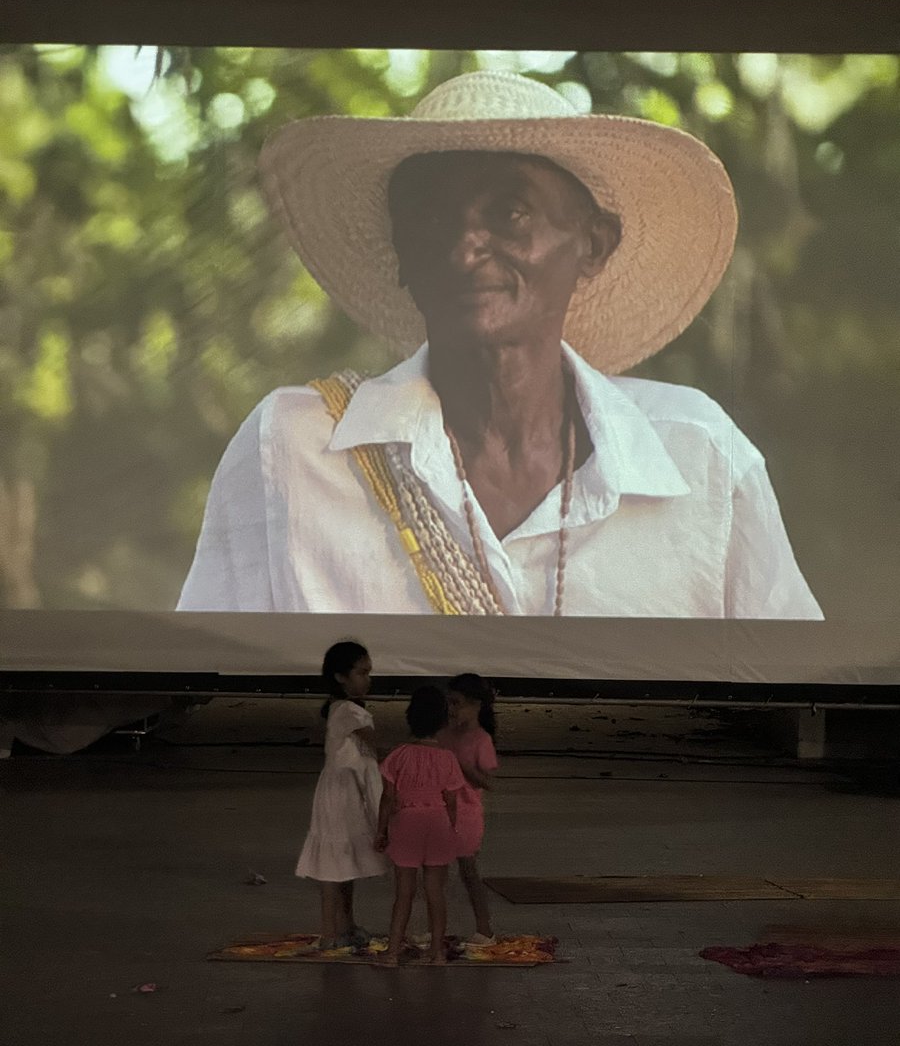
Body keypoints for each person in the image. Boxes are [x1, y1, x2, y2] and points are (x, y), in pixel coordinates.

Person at [177, 70, 822, 619]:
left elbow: (798, 695)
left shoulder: (699, 456)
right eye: (432, 216)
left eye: (510, 213)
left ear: (593, 245)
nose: (463, 250)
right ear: (402, 252)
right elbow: (203, 680)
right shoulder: (294, 449)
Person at [295, 640, 386, 950]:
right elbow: (378, 747)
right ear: (340, 677)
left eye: (368, 673)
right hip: (341, 792)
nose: (367, 680)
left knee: (346, 862)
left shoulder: (348, 709)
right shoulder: (348, 711)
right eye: (361, 673)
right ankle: (330, 933)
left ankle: (346, 925)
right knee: (334, 863)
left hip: (351, 791)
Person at [374, 685, 466, 965]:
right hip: (437, 823)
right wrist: (453, 829)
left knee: (404, 893)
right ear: (442, 721)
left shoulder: (398, 755)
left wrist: (382, 830)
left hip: (406, 823)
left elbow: (387, 799)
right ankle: (437, 951)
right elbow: (451, 801)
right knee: (435, 892)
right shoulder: (448, 758)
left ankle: (392, 952)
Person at [437, 672, 499, 945]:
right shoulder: (443, 734)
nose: (451, 710)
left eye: (457, 703)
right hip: (438, 810)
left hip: (466, 813)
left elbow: (487, 781)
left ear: (476, 705)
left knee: (468, 871)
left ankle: (484, 928)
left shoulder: (481, 740)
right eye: (449, 703)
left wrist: (461, 766)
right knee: (434, 872)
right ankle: (435, 926)